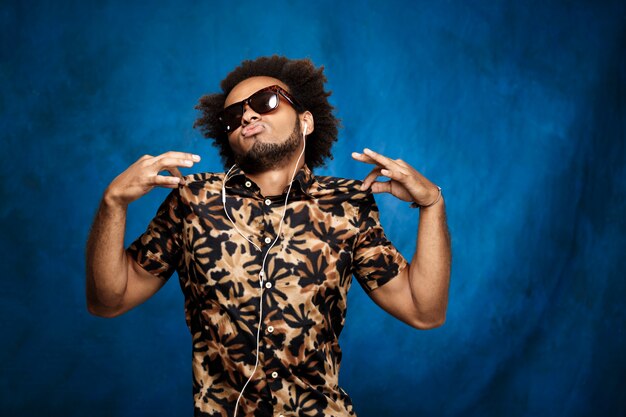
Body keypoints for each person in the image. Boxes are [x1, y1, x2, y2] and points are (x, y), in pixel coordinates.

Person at [86, 55, 451, 417]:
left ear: (305, 121)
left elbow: (424, 310)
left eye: (266, 102)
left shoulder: (347, 205)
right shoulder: (193, 200)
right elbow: (109, 300)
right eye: (232, 117)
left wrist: (432, 204)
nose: (246, 116)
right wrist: (112, 203)